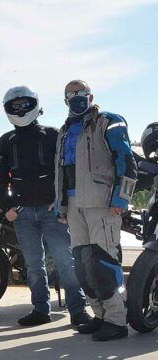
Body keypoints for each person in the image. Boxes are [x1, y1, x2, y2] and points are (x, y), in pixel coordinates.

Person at [0, 86, 92, 327]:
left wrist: (63, 204)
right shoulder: (6, 141)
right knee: (33, 265)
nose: (20, 109)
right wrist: (7, 207)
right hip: (22, 213)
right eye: (14, 106)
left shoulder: (52, 134)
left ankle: (78, 311)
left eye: (24, 104)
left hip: (52, 211)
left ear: (35, 105)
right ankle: (40, 310)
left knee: (65, 261)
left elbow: (66, 171)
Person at [55, 80, 136, 341]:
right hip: (74, 204)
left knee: (103, 262)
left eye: (81, 93)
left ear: (90, 95)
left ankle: (116, 321)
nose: (77, 98)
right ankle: (99, 315)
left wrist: (121, 200)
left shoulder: (108, 121)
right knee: (82, 264)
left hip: (102, 204)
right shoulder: (65, 129)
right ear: (65, 99)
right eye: (71, 95)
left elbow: (126, 161)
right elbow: (60, 171)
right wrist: (61, 205)